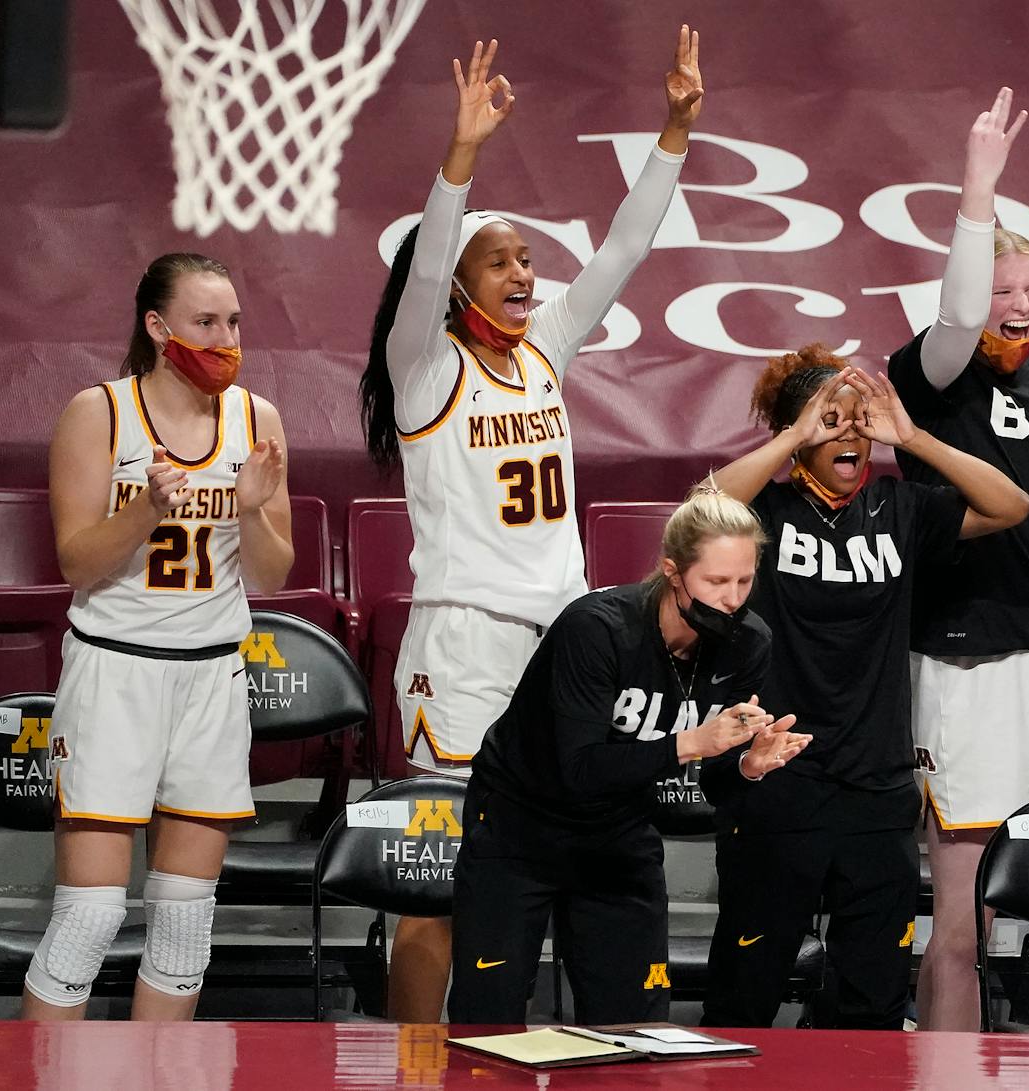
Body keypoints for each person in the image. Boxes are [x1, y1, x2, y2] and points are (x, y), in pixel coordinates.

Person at [358, 28, 705, 1021]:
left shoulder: (547, 350)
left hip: (561, 651)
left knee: (545, 867)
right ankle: (417, 1066)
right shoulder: (425, 369)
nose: (525, 272)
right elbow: (423, 276)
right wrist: (459, 160)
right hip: (463, 647)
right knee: (439, 894)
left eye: (528, 258)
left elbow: (627, 248)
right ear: (462, 285)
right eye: (499, 259)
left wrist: (675, 132)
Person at [697, 350, 1029, 1029]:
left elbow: (1011, 504)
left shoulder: (899, 507)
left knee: (871, 1007)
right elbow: (703, 506)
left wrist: (910, 437)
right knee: (744, 996)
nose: (848, 435)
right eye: (830, 422)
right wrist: (794, 434)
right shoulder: (766, 510)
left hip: (877, 791)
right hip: (778, 783)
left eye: (859, 424)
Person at [886, 88, 1029, 1031]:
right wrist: (977, 188)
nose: (1019, 306)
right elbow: (953, 315)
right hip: (968, 664)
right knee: (962, 917)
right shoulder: (933, 375)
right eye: (1000, 288)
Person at [22, 252, 293, 1021]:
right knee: (89, 918)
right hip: (116, 670)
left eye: (234, 321)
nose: (226, 337)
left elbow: (272, 573)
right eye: (206, 321)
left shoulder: (258, 420)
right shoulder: (98, 411)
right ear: (157, 325)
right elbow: (76, 559)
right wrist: (145, 510)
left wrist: (248, 507)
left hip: (212, 676)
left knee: (182, 927)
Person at [447, 488, 811, 1024]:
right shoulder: (596, 629)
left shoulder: (749, 643)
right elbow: (579, 770)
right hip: (519, 827)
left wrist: (745, 767)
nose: (733, 598)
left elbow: (708, 784)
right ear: (672, 570)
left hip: (619, 831)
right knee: (489, 1021)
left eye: (744, 580)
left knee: (633, 1026)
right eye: (715, 581)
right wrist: (691, 742)